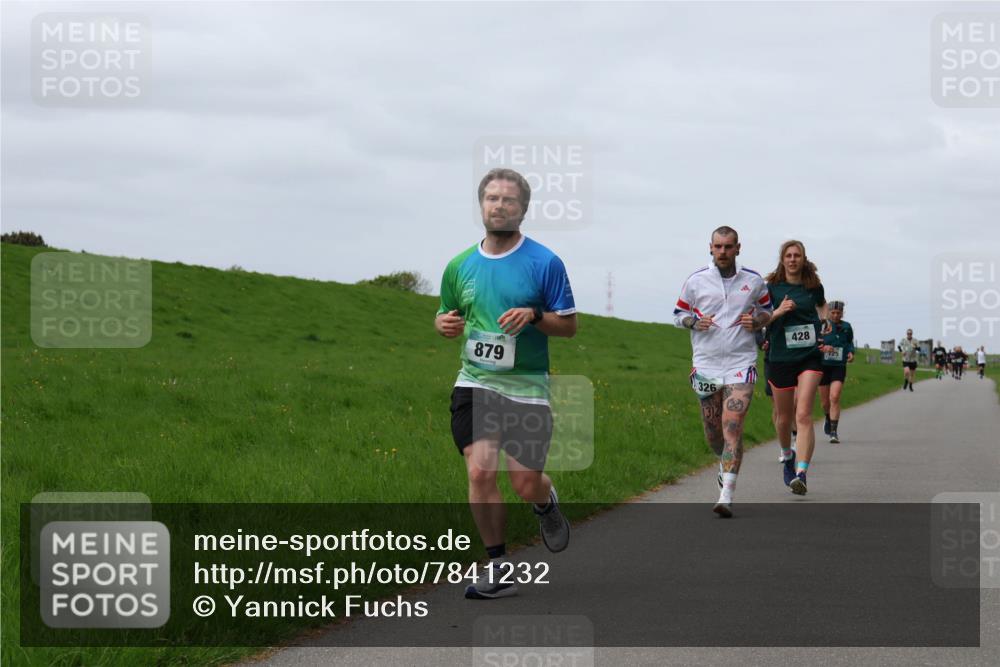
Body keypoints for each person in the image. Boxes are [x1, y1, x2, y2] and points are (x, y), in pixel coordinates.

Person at [435, 168, 577, 599]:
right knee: (479, 469)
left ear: (523, 209)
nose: (499, 206)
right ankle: (498, 568)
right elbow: (449, 314)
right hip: (475, 383)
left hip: (528, 389)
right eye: (492, 198)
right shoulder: (459, 265)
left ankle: (543, 501)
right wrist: (443, 323)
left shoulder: (545, 262)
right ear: (481, 204)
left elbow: (569, 326)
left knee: (524, 482)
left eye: (508, 200)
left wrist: (534, 316)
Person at [673, 226, 772, 517]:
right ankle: (723, 463)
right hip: (706, 364)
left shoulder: (753, 281)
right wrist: (693, 323)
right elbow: (678, 315)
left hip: (741, 363)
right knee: (714, 433)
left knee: (733, 426)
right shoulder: (696, 281)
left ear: (738, 248)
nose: (723, 252)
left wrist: (758, 322)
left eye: (728, 247)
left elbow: (768, 311)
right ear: (711, 248)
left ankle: (726, 493)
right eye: (718, 247)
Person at [764, 240, 834, 495]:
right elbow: (761, 318)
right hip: (781, 356)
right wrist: (779, 310)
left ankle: (801, 473)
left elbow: (823, 304)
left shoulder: (813, 286)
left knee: (803, 414)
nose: (793, 259)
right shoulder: (770, 288)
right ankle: (787, 456)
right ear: (782, 260)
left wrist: (825, 319)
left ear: (804, 259)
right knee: (784, 418)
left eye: (798, 255)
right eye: (789, 256)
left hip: (809, 356)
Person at [819, 301, 854, 443]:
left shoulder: (846, 327)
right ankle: (827, 418)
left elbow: (850, 342)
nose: (835, 315)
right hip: (822, 366)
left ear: (842, 313)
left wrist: (851, 352)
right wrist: (822, 348)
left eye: (838, 313)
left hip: (838, 365)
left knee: (834, 397)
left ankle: (834, 432)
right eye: (832, 313)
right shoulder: (821, 325)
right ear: (828, 312)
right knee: (825, 402)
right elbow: (815, 342)